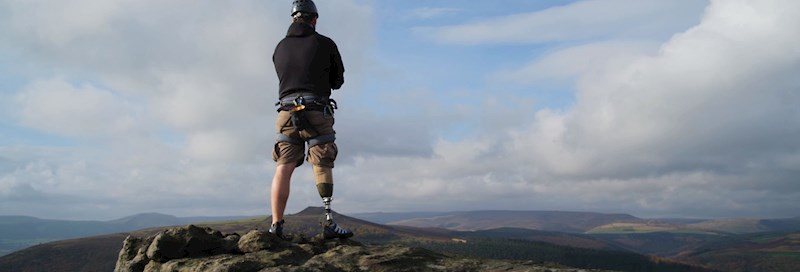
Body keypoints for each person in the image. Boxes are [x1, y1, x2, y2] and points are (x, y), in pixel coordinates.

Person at [269, 0, 353, 240]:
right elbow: (338, 81)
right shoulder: (325, 43)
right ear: (314, 19)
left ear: (293, 18)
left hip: (286, 113)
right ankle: (328, 224)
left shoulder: (280, 47)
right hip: (317, 110)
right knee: (322, 161)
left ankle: (276, 226)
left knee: (283, 166)